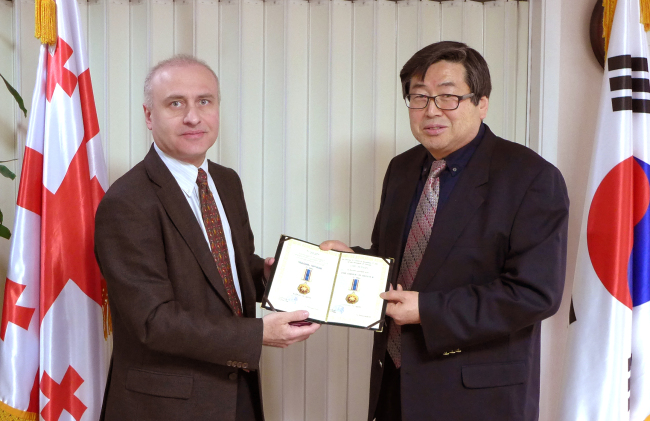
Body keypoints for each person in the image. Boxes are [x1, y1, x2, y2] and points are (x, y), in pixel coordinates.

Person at [321, 41, 569, 421]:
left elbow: (535, 294)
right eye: (419, 98)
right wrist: (357, 263)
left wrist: (428, 310)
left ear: (481, 103)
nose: (431, 110)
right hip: (394, 386)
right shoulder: (402, 169)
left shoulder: (530, 177)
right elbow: (404, 263)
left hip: (476, 398)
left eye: (447, 97)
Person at [94, 55, 319, 421]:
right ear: (149, 116)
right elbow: (153, 320)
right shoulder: (126, 202)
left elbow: (227, 268)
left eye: (204, 101)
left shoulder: (225, 182)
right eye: (175, 103)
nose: (193, 117)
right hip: (165, 407)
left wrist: (269, 274)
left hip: (237, 392)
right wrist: (257, 334)